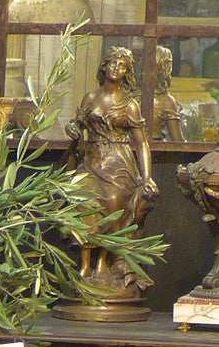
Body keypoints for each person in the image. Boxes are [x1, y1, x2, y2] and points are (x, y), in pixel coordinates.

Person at [65, 46, 160, 305]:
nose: (117, 68)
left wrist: (147, 176)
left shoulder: (129, 105)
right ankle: (84, 265)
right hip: (93, 159)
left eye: (123, 66)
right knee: (83, 202)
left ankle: (103, 263)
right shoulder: (90, 98)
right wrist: (73, 131)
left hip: (119, 163)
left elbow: (141, 143)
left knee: (114, 202)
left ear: (128, 73)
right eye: (113, 63)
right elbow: (79, 130)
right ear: (103, 67)